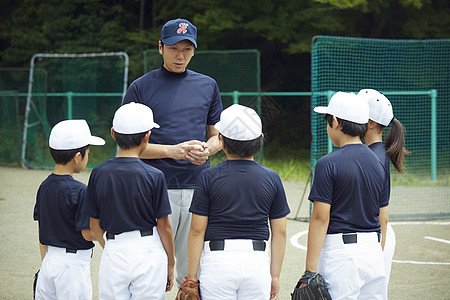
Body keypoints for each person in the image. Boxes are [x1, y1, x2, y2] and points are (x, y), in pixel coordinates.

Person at [121, 18, 223, 285]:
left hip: (198, 187)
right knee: (151, 269)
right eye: (173, 48)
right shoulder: (141, 87)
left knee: (192, 276)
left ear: (194, 50)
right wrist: (171, 151)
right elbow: (129, 147)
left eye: (187, 49)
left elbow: (217, 137)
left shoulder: (208, 85)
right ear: (160, 47)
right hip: (152, 186)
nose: (180, 56)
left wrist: (207, 150)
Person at [184, 104, 290, 300]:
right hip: (256, 262)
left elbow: (197, 231)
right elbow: (280, 232)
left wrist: (192, 277)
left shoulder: (208, 177)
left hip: (218, 263)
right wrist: (274, 276)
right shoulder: (272, 178)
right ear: (260, 140)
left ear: (222, 141)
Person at [82, 102, 175, 299]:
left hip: (114, 248)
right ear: (147, 136)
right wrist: (170, 262)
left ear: (113, 134)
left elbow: (93, 222)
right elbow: (164, 226)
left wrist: (109, 247)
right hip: (148, 248)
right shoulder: (155, 175)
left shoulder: (98, 173)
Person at [302, 92, 387, 299]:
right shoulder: (378, 161)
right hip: (374, 253)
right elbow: (383, 216)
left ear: (337, 122)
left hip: (341, 255)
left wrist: (309, 273)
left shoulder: (327, 163)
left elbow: (321, 218)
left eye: (328, 121)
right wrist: (377, 254)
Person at [33, 119, 105, 300]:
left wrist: (46, 262)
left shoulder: (44, 186)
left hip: (49, 262)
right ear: (77, 157)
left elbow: (42, 227)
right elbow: (87, 234)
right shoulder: (80, 190)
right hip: (72, 266)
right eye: (87, 152)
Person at [358, 88, 409, 299]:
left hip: (378, 236)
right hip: (377, 234)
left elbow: (382, 214)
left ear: (371, 123)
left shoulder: (373, 157)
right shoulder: (373, 152)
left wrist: (378, 251)